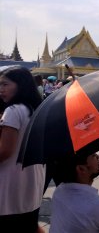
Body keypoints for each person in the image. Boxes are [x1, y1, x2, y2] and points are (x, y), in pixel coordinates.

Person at [0, 66, 45, 232]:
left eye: (5, 84)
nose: (1, 89)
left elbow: (5, 151)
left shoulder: (13, 111)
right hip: (32, 181)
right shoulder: (36, 110)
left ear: (20, 85)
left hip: (10, 183)